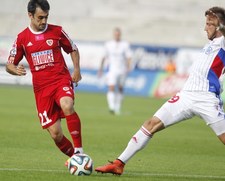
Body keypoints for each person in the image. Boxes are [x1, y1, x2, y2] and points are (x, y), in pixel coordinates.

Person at [95, 6, 225, 175]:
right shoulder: (210, 44)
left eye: (209, 23)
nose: (204, 27)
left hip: (207, 98)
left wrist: (221, 24)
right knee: (151, 124)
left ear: (220, 25)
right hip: (185, 95)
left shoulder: (222, 43)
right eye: (205, 23)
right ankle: (119, 163)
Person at [5, 0, 84, 162]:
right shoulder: (22, 38)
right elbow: (9, 64)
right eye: (40, 18)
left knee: (67, 105)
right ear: (30, 15)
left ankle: (79, 151)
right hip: (42, 90)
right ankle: (76, 160)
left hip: (60, 80)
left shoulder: (57, 31)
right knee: (56, 134)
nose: (43, 21)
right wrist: (15, 70)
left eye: (46, 17)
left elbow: (73, 49)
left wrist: (76, 69)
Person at [98, 27, 132, 115]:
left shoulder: (125, 44)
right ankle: (111, 107)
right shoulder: (108, 44)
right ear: (114, 35)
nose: (117, 35)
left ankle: (117, 107)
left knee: (120, 89)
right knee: (111, 87)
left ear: (120, 35)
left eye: (118, 34)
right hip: (112, 70)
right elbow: (103, 57)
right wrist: (100, 69)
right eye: (116, 34)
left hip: (122, 70)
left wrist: (128, 67)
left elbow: (128, 57)